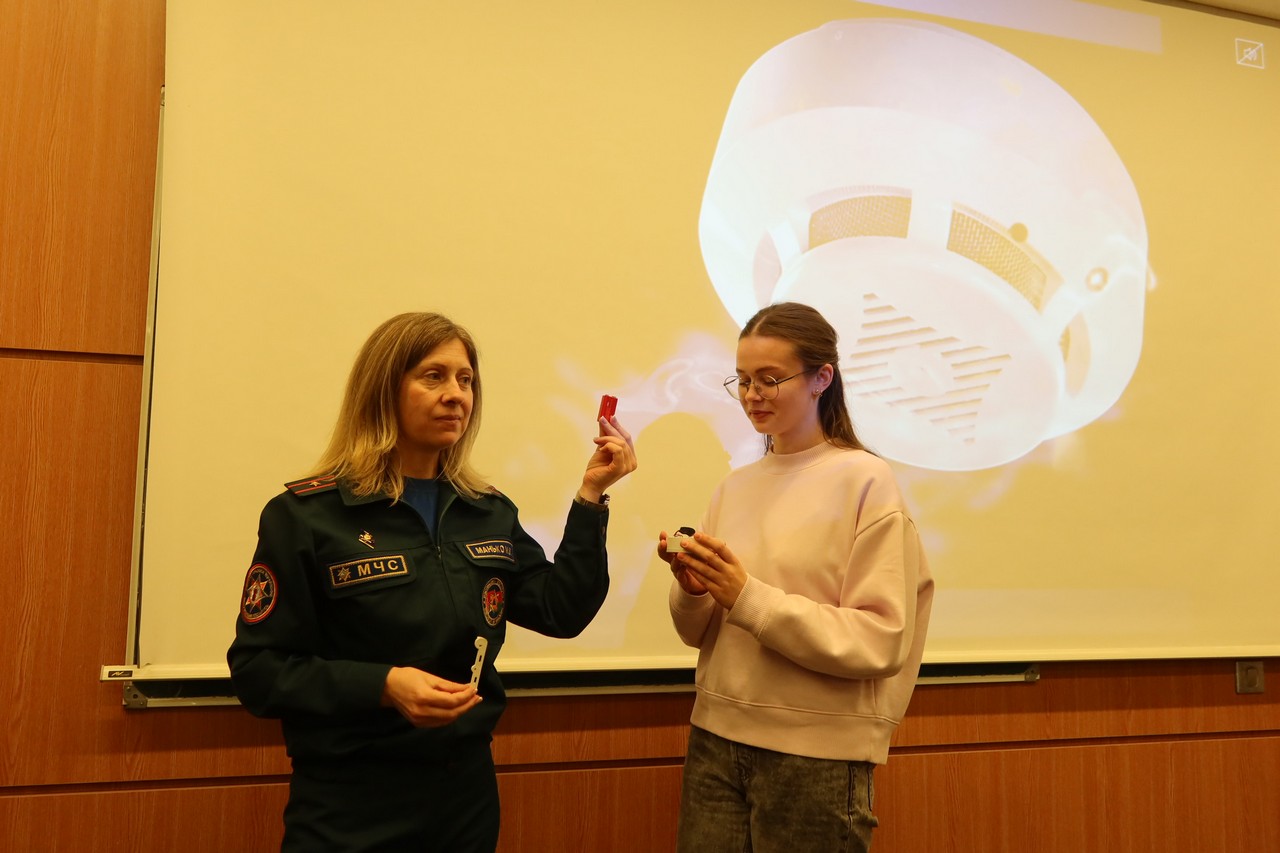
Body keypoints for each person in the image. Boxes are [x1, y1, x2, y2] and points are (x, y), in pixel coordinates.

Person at [228, 311, 637, 852]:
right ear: (384, 390)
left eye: (465, 380)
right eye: (433, 377)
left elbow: (562, 611)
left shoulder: (485, 511)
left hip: (463, 798)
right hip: (351, 804)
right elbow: (259, 671)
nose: (455, 395)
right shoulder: (308, 516)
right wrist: (384, 685)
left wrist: (590, 498)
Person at [658, 301, 933, 853]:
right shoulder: (734, 487)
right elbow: (697, 633)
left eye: (770, 379)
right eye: (742, 380)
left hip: (818, 756)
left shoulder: (865, 480)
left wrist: (746, 596)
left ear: (821, 379)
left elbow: (881, 641)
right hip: (715, 736)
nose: (752, 395)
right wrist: (693, 591)